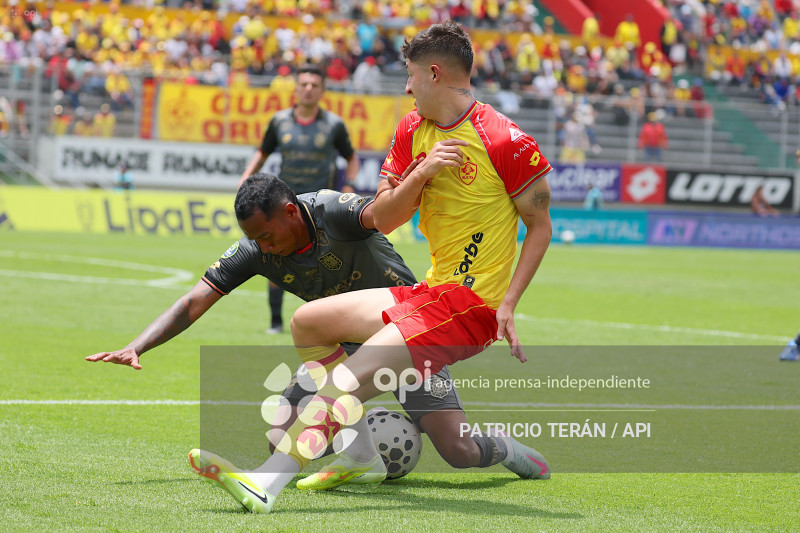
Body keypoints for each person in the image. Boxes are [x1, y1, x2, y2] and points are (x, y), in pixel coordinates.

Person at [189, 21, 553, 514]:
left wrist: (509, 302)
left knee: (350, 379)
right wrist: (422, 173)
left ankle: (266, 482)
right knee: (309, 322)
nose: (405, 87)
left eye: (409, 77)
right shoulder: (412, 130)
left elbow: (540, 225)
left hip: (469, 307)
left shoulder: (505, 140)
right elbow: (385, 217)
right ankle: (360, 450)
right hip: (429, 293)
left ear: (434, 73)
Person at [87, 174, 546, 491]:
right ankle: (362, 452)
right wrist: (137, 345)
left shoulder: (333, 210)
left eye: (267, 237)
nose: (262, 248)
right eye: (255, 241)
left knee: (459, 450)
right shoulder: (254, 249)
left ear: (291, 212)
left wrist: (418, 175)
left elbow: (383, 213)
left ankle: (504, 447)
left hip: (411, 332)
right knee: (281, 436)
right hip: (339, 348)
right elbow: (194, 300)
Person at [239, 64, 360, 335]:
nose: (308, 89)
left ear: (322, 90)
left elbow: (352, 158)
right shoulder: (279, 121)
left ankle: (334, 322)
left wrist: (349, 184)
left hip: (321, 207)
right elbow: (262, 152)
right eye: (304, 84)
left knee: (328, 263)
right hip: (282, 207)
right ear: (295, 89)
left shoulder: (334, 125)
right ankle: (275, 322)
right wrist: (246, 177)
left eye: (314, 85)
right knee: (275, 257)